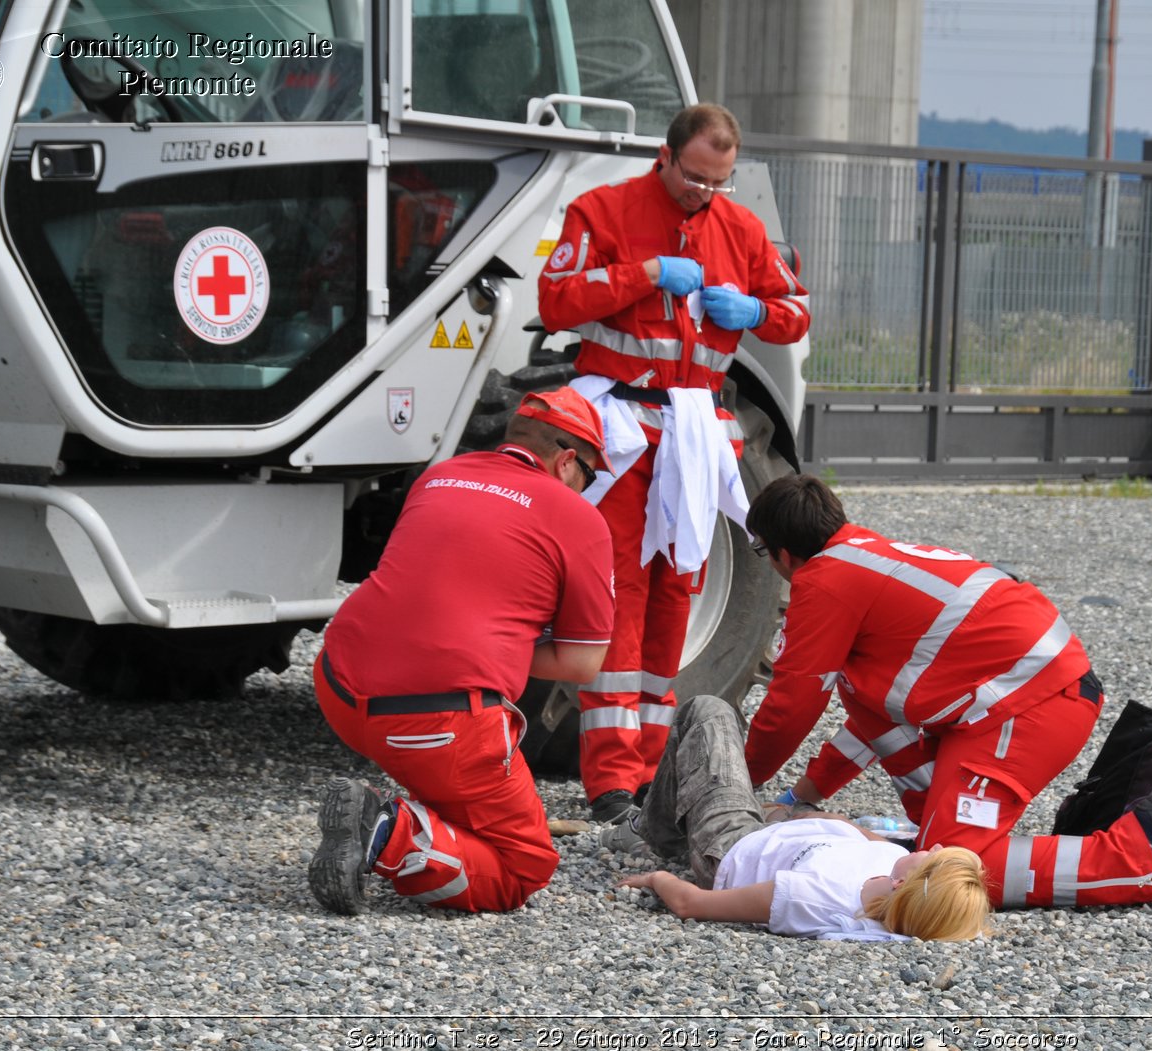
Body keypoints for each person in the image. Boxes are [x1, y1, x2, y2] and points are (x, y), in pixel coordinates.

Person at [739, 474, 1152, 912]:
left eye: (763, 553)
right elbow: (870, 723)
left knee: (941, 879)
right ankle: (940, 827)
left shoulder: (824, 582)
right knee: (922, 843)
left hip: (1029, 705)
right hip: (1026, 697)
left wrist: (740, 786)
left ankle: (1143, 853)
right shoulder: (865, 560)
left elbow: (792, 703)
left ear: (782, 553)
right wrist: (801, 798)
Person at [537, 102, 811, 824]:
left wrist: (752, 310)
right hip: (622, 428)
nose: (704, 195)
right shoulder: (603, 209)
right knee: (617, 595)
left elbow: (794, 312)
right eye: (694, 178)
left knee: (675, 595)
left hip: (691, 427)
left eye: (718, 183)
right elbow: (558, 300)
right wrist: (646, 272)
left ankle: (654, 773)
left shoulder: (740, 228)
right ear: (665, 155)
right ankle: (609, 782)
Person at [308, 388, 615, 915]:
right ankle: (384, 830)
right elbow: (584, 662)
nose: (586, 489)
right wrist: (506, 644)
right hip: (434, 723)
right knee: (523, 866)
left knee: (452, 784)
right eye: (589, 476)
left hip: (337, 681)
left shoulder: (439, 474)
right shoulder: (577, 518)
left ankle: (417, 818)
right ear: (567, 461)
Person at [606, 695, 991, 942]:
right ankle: (680, 819)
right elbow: (965, 877)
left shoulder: (811, 897)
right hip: (782, 832)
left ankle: (655, 832)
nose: (936, 845)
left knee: (710, 712)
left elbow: (693, 905)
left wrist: (657, 878)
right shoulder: (899, 877)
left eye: (935, 855)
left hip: (731, 844)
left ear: (905, 882)